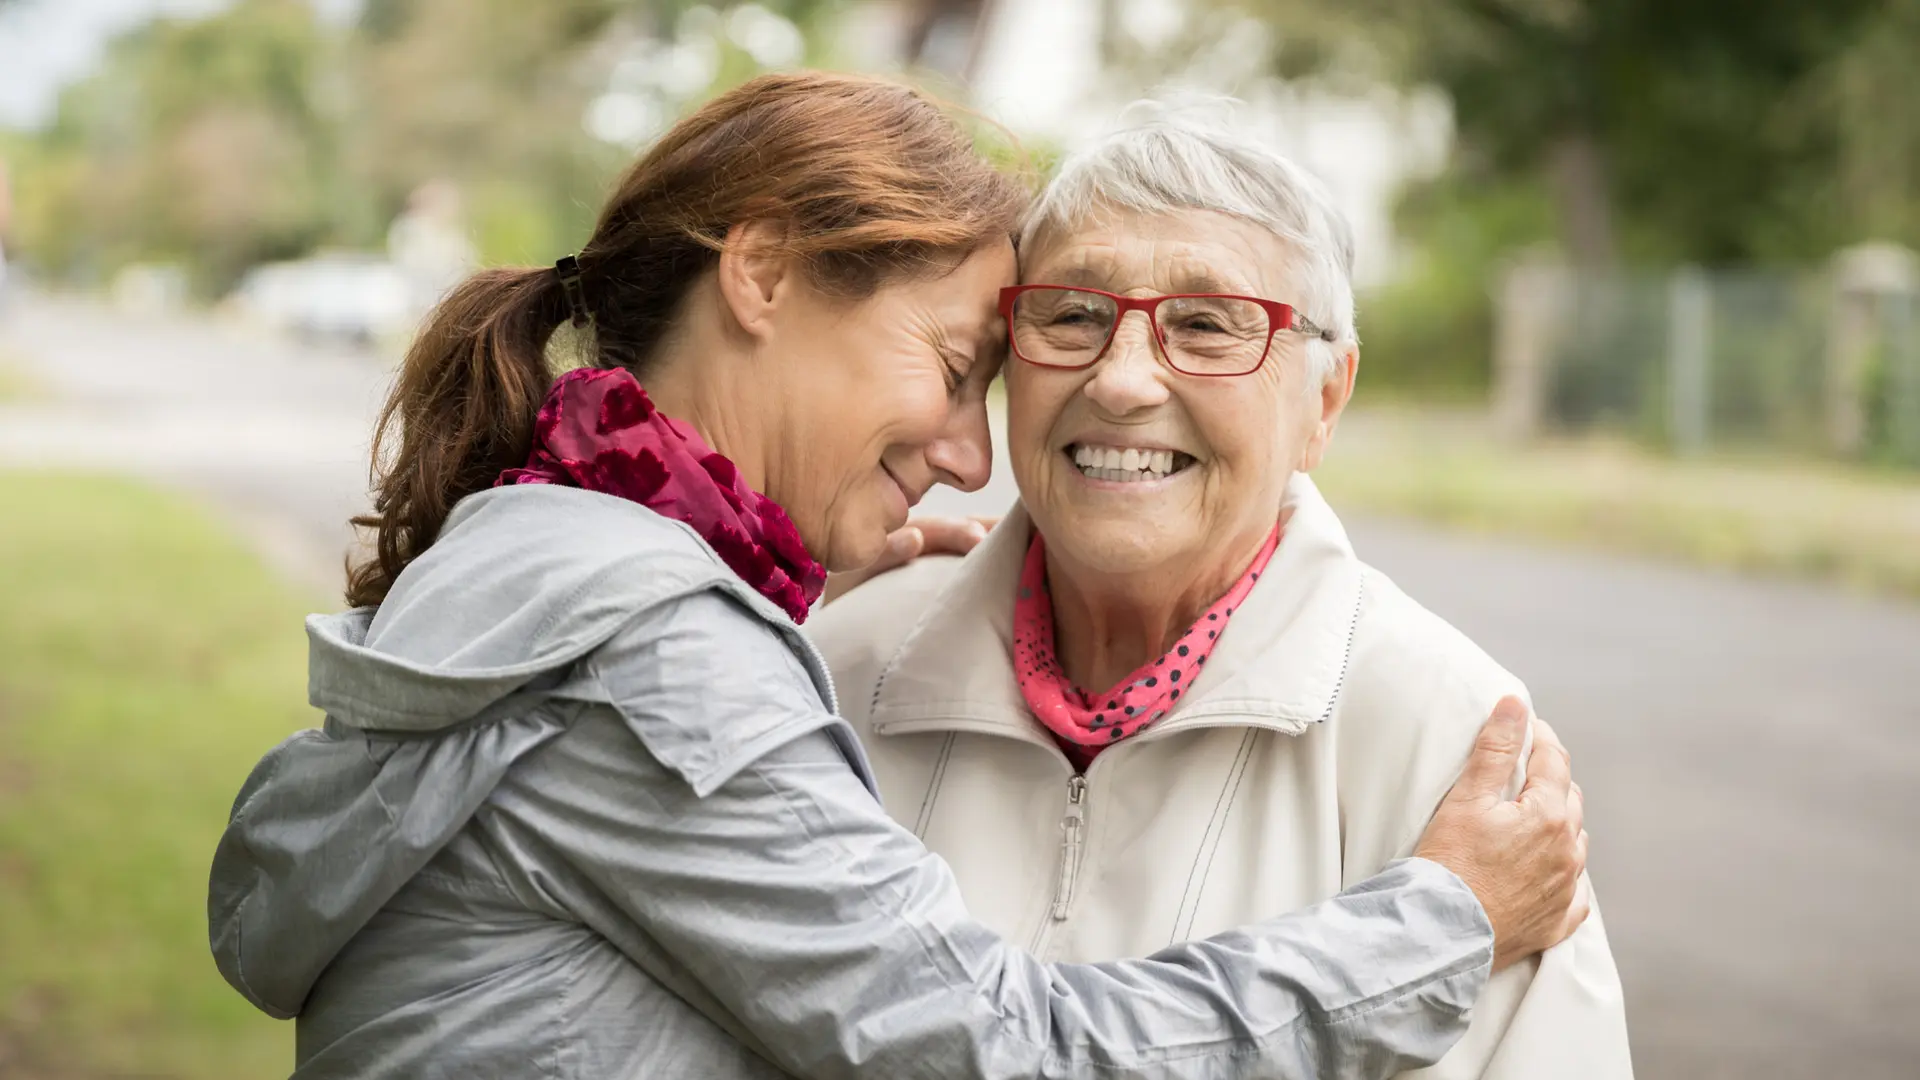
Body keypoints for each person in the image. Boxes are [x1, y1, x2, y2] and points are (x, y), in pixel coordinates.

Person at [207, 74, 1588, 1080]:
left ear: (1326, 391)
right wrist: (1441, 921)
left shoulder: (566, 566)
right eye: (956, 365)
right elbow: (1002, 1053)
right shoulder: (659, 660)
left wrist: (758, 623)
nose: (965, 453)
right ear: (761, 275)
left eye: (1213, 328)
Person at [809, 103, 1632, 1079]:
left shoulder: (1449, 739)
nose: (1120, 382)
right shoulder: (834, 669)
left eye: (1206, 326)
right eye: (1073, 314)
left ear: (1323, 401)